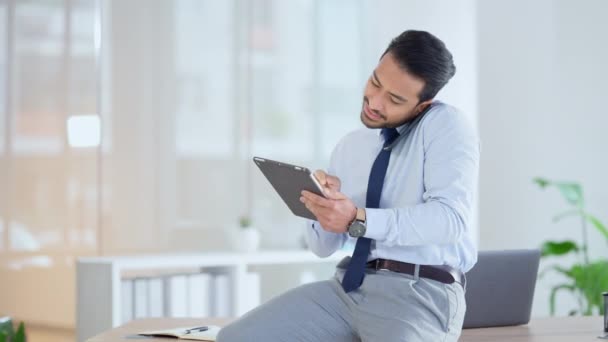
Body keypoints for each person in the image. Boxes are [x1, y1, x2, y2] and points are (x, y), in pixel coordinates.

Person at [217, 29, 479, 342]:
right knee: (235, 338)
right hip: (347, 289)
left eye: (395, 99)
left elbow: (449, 220)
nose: (375, 102)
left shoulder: (445, 125)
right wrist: (324, 205)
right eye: (376, 83)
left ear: (422, 105)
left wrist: (356, 218)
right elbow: (321, 248)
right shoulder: (352, 145)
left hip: (418, 294)